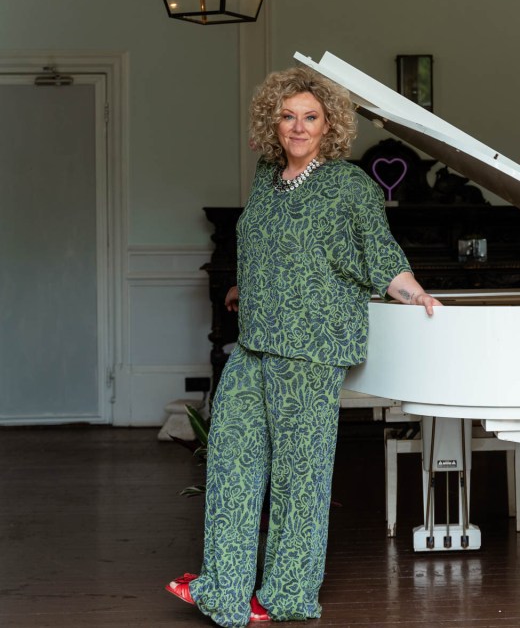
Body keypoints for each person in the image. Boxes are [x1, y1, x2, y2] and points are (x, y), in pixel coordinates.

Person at [166, 67, 441, 627]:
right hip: (254, 346)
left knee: (299, 480)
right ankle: (224, 589)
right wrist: (248, 286)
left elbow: (381, 255)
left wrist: (413, 292)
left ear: (329, 125)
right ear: (274, 121)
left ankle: (287, 596)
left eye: (310, 117)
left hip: (309, 353)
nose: (298, 127)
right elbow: (267, 245)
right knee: (231, 466)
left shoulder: (350, 186)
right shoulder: (266, 177)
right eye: (288, 116)